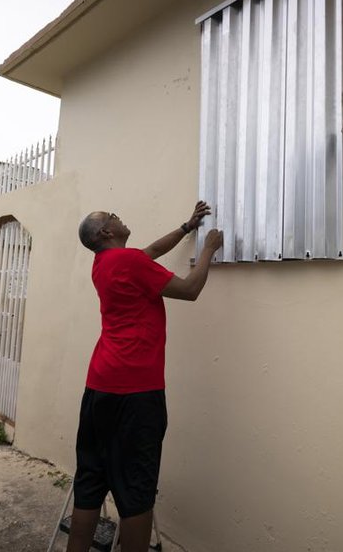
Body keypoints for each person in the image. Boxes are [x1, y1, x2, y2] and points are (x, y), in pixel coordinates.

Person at [67, 201, 223, 552]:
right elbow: (189, 290)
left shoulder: (104, 263)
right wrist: (209, 250)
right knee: (136, 487)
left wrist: (186, 227)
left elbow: (150, 251)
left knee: (91, 480)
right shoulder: (129, 262)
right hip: (136, 391)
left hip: (99, 387)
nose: (118, 215)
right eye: (111, 216)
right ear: (106, 232)